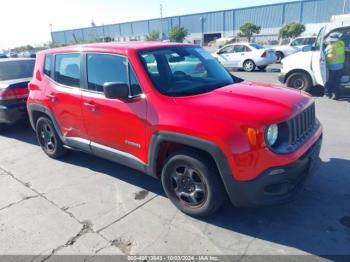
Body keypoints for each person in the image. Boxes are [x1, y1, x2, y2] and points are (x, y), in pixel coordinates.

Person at [325, 32, 345, 100]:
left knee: (330, 81)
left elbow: (324, 55)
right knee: (337, 81)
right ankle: (336, 95)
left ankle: (329, 94)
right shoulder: (342, 43)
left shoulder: (329, 47)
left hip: (332, 67)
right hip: (340, 66)